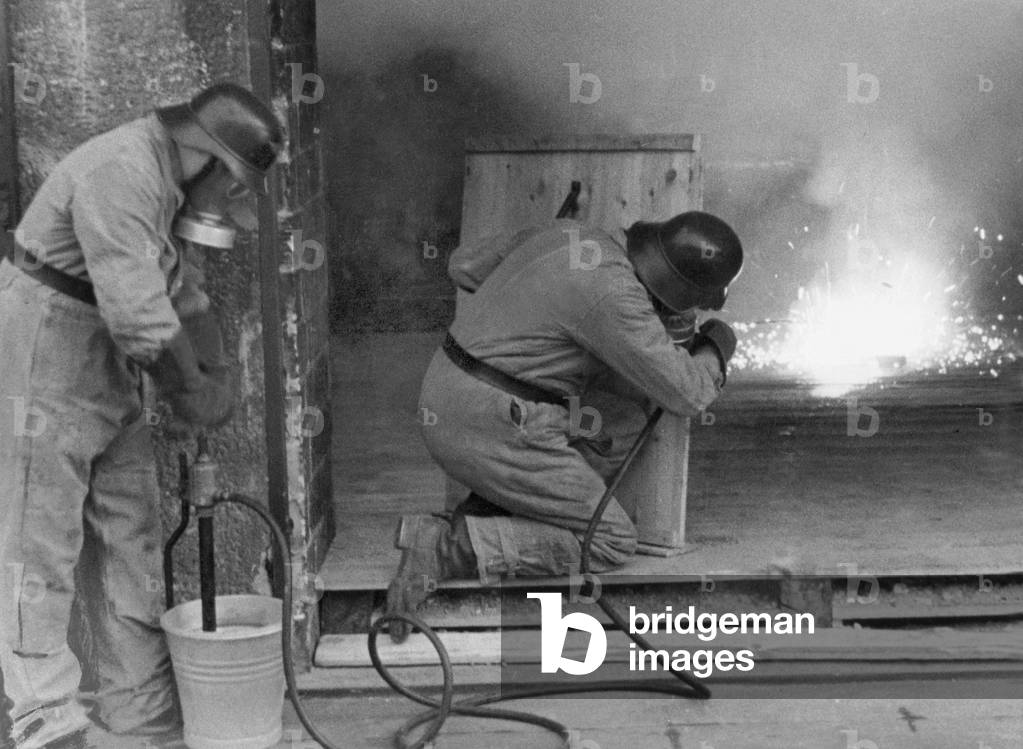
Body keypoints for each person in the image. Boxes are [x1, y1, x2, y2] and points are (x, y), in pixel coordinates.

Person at [0, 82, 283, 748]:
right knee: (38, 539)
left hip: (104, 354)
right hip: (50, 342)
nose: (231, 202)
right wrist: (190, 389)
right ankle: (44, 716)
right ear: (212, 159)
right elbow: (138, 318)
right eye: (235, 185)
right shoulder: (120, 172)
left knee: (133, 530)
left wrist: (213, 371)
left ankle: (137, 710)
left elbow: (180, 291)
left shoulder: (170, 183)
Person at [386, 212, 743, 642]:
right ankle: (448, 547)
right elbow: (686, 394)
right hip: (495, 422)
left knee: (620, 419)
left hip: (445, 392)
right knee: (610, 540)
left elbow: (463, 265)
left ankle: (500, 507)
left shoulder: (568, 232)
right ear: (678, 290)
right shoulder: (616, 297)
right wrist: (715, 349)